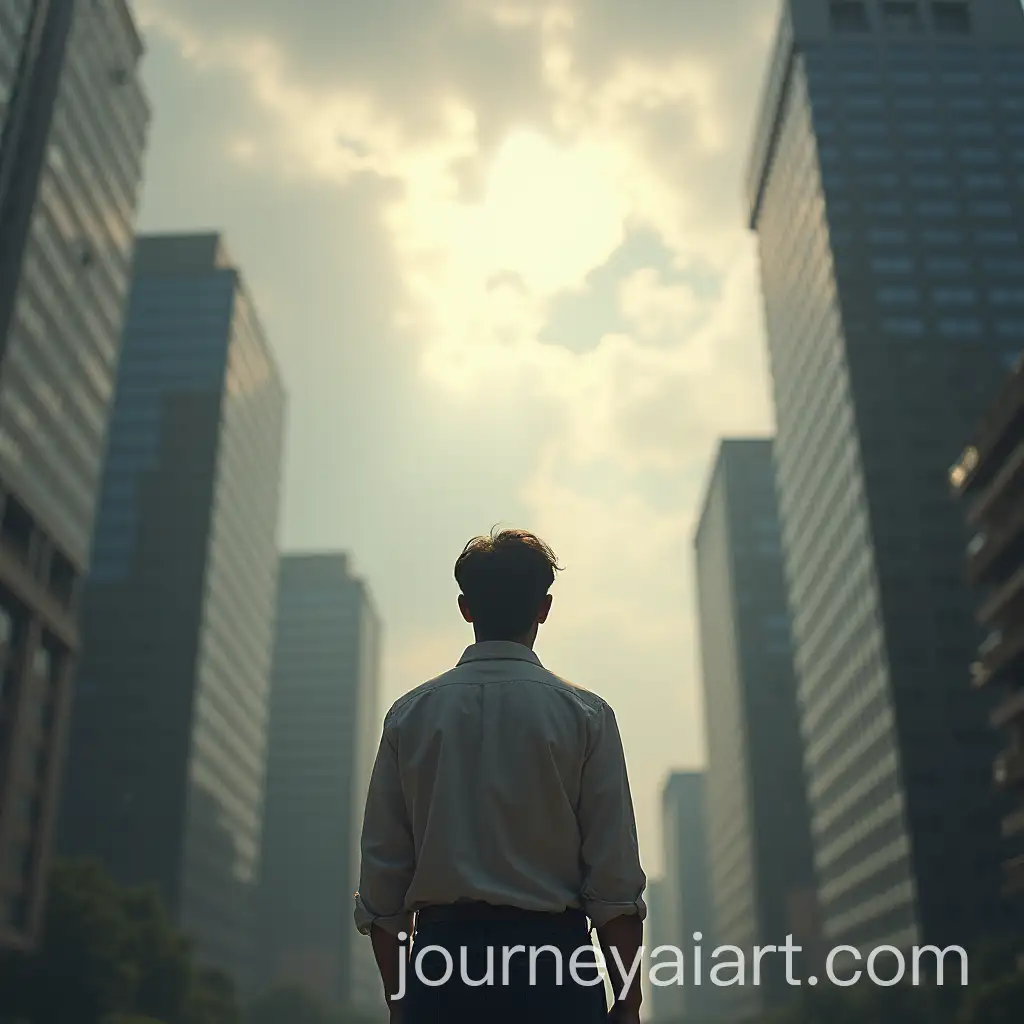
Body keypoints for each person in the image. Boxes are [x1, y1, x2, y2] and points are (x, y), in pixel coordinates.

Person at [354, 528, 647, 1023]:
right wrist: (627, 1004)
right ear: (544, 608)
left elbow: (383, 883)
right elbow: (614, 882)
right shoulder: (586, 716)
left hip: (441, 969)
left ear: (466, 608)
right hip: (556, 970)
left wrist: (402, 1002)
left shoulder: (409, 717)